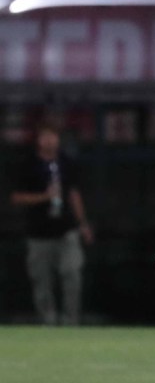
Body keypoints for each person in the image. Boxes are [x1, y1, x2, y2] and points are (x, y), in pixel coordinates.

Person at [10, 124, 95, 325]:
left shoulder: (67, 163)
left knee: (72, 272)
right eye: (45, 136)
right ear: (38, 140)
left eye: (53, 137)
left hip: (66, 230)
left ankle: (70, 321)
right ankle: (47, 321)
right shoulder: (28, 164)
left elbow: (74, 195)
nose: (49, 141)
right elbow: (16, 197)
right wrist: (44, 196)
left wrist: (83, 224)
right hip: (38, 233)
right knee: (42, 281)